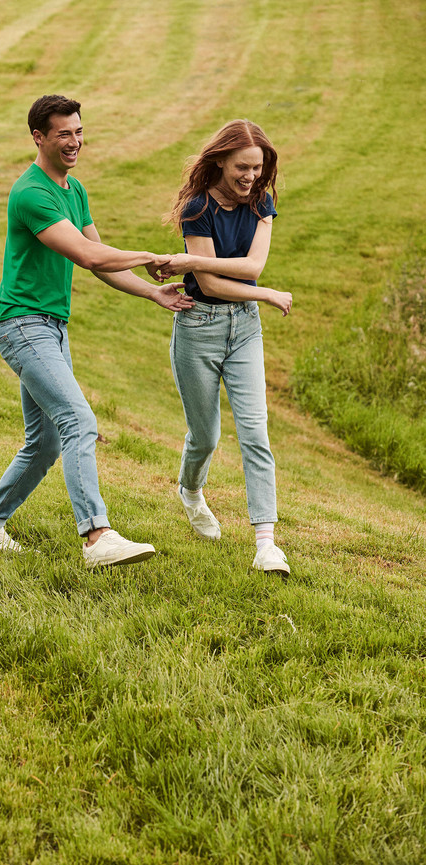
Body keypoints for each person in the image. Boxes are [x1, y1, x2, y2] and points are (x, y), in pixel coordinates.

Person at [0, 94, 192, 567]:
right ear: (39, 137)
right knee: (78, 421)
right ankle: (97, 536)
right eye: (64, 134)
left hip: (50, 328)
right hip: (22, 325)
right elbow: (90, 255)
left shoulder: (75, 190)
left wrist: (151, 292)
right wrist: (147, 255)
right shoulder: (31, 193)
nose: (75, 142)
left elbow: (100, 261)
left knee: (47, 440)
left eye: (79, 132)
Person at [160, 119, 292, 574]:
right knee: (206, 436)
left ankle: (266, 544)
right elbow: (213, 284)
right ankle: (191, 491)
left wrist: (190, 260)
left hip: (245, 328)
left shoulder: (261, 203)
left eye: (257, 168)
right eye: (242, 167)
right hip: (198, 325)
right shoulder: (197, 207)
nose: (251, 177)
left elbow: (254, 264)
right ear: (220, 160)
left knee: (255, 430)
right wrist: (266, 292)